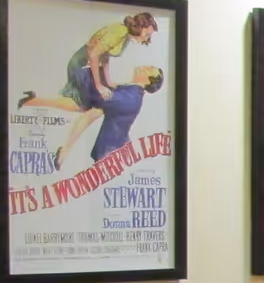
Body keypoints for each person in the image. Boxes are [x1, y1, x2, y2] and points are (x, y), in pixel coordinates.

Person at [18, 12, 159, 168]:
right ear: (140, 26)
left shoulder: (125, 36)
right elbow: (94, 55)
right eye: (147, 33)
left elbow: (106, 57)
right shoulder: (119, 32)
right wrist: (99, 85)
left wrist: (108, 81)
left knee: (83, 106)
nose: (147, 38)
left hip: (91, 66)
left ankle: (32, 101)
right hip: (82, 64)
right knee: (89, 106)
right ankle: (63, 151)